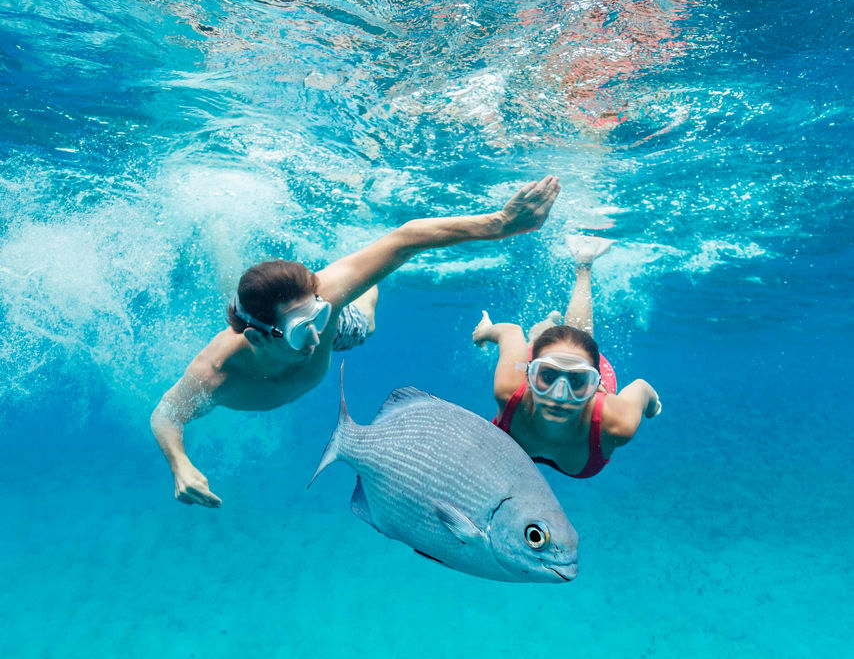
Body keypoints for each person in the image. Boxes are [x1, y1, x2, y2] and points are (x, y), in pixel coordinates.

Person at [151, 175, 561, 506]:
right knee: (232, 293)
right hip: (258, 326)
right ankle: (216, 232)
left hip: (338, 322)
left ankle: (358, 263)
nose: (314, 336)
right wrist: (179, 464)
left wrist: (500, 223)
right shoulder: (215, 372)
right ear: (258, 340)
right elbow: (165, 415)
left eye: (317, 315)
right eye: (299, 330)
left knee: (363, 323)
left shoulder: (324, 304)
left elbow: (405, 240)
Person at [472, 235, 660, 479]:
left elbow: (642, 388)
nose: (559, 395)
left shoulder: (616, 421)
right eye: (548, 377)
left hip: (577, 370)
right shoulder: (510, 389)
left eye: (578, 382)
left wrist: (652, 405)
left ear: (596, 385)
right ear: (528, 375)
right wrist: (484, 331)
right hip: (544, 362)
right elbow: (510, 332)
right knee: (543, 341)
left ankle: (584, 264)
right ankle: (550, 323)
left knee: (578, 337)